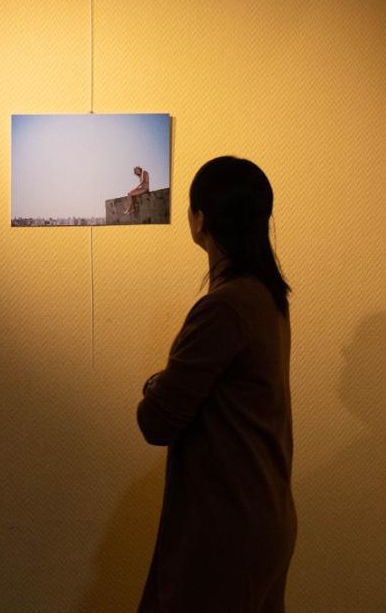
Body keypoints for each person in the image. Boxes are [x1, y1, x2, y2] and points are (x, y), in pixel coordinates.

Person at [136, 156, 295, 613]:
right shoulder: (267, 298)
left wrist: (154, 382)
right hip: (264, 513)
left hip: (226, 526)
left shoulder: (223, 308)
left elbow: (156, 421)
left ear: (199, 218)